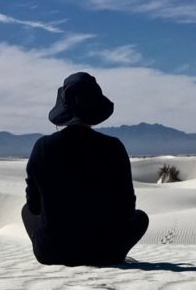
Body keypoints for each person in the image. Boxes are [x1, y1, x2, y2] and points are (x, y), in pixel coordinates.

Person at [23, 72, 149, 266]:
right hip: (106, 253)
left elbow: (33, 207)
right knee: (141, 218)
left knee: (26, 211)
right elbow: (127, 209)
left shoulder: (43, 147)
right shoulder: (113, 147)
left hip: (52, 252)